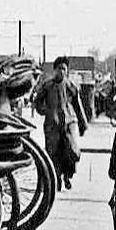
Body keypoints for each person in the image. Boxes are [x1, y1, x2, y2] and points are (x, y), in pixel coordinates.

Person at [33, 56, 88, 191]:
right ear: (54, 70)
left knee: (72, 151)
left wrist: (83, 124)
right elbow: (37, 102)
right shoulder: (47, 86)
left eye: (64, 69)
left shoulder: (71, 86)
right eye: (59, 68)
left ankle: (68, 176)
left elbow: (78, 106)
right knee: (53, 153)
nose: (62, 71)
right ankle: (56, 178)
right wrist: (45, 111)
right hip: (52, 125)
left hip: (69, 123)